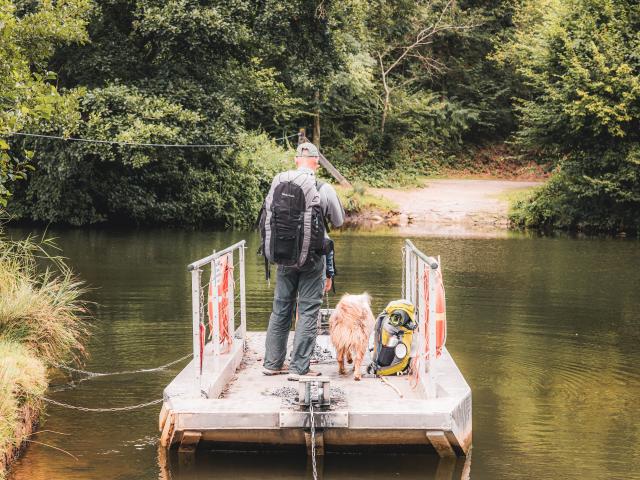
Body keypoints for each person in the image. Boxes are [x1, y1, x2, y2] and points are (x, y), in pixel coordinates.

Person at [262, 141, 344, 380]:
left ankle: (272, 363)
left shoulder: (280, 181)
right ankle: (299, 368)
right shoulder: (323, 187)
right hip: (312, 260)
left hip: (284, 258)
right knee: (308, 310)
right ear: (317, 163)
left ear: (296, 160)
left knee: (281, 308)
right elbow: (338, 221)